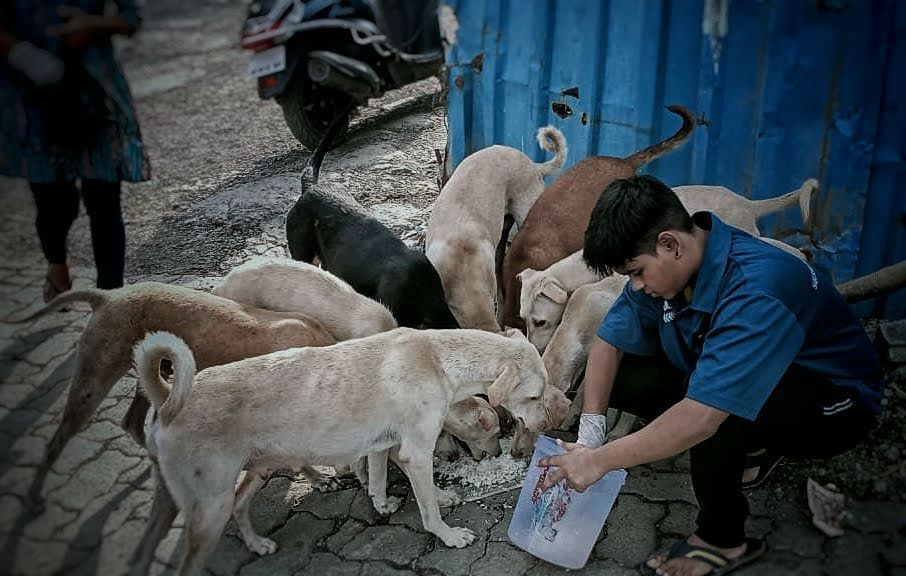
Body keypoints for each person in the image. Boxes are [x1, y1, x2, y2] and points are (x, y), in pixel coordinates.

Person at [538, 175, 884, 576]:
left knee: (712, 415)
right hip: (760, 375)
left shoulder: (755, 289)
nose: (634, 286)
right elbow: (609, 341)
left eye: (636, 272)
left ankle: (723, 540)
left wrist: (598, 462)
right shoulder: (674, 268)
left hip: (837, 404)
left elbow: (702, 416)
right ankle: (751, 448)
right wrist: (590, 432)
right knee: (630, 378)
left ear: (670, 244)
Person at [1, 0, 149, 302]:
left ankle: (111, 303)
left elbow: (131, 18)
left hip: (95, 94)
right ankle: (57, 263)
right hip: (31, 103)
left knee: (104, 203)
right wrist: (25, 56)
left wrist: (92, 26)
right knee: (54, 205)